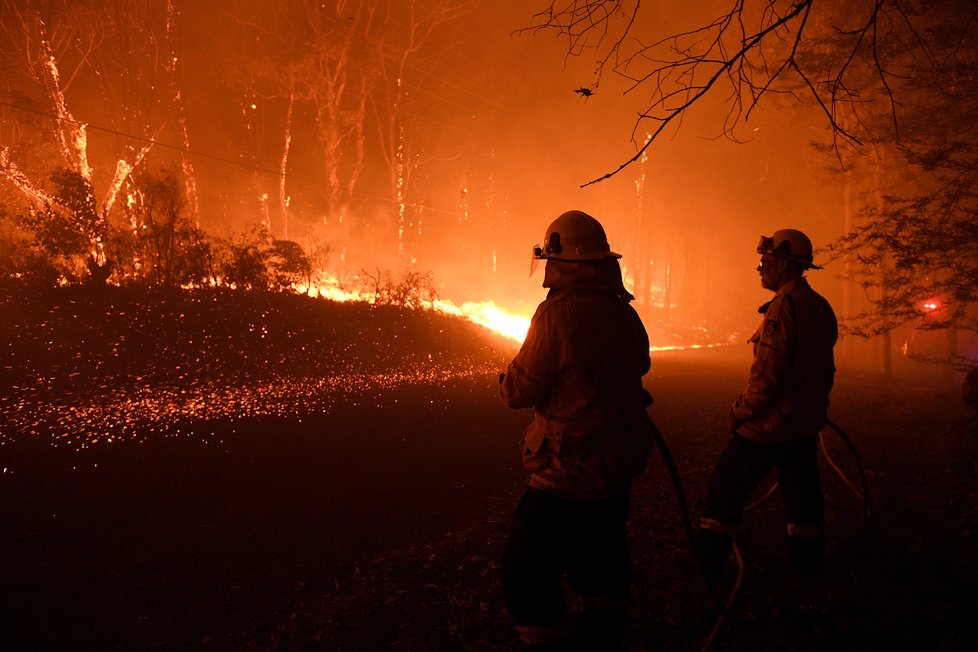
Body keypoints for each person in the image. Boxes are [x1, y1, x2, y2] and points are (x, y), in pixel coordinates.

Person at [498, 210, 656, 651]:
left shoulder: (556, 315)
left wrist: (505, 380)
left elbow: (520, 390)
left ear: (563, 261)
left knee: (525, 566)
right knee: (600, 559)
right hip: (616, 465)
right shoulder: (624, 314)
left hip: (567, 468)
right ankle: (602, 639)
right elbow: (638, 367)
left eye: (550, 258)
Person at [695, 229, 838, 581]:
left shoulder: (783, 308)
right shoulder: (818, 305)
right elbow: (825, 370)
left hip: (769, 425)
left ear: (785, 264)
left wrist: (742, 410)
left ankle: (708, 564)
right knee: (803, 495)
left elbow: (768, 376)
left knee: (725, 487)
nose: (760, 268)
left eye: (766, 262)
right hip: (803, 424)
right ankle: (808, 566)